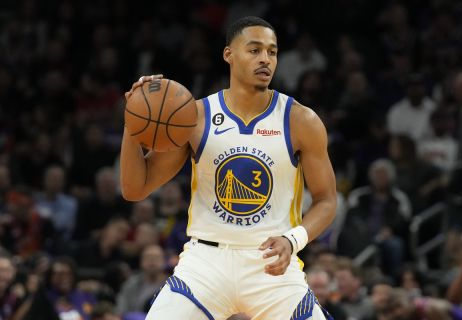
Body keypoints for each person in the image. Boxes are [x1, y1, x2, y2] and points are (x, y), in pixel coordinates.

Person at [121, 16, 337, 319]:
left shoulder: (300, 120)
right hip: (206, 262)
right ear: (228, 55)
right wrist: (134, 120)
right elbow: (134, 189)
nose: (265, 59)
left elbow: (327, 201)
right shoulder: (195, 117)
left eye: (272, 52)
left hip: (271, 262)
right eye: (254, 50)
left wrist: (293, 240)